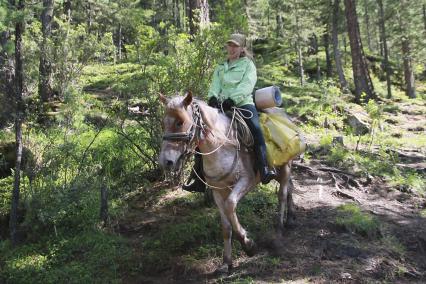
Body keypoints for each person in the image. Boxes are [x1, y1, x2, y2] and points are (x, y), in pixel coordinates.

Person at [182, 33, 276, 192]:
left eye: (235, 46)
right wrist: (212, 98)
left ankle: (265, 168)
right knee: (202, 134)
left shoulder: (248, 65)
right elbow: (215, 85)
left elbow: (247, 85)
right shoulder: (221, 66)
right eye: (230, 45)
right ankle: (199, 179)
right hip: (220, 106)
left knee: (256, 131)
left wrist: (232, 99)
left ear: (242, 49)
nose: (232, 48)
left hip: (243, 104)